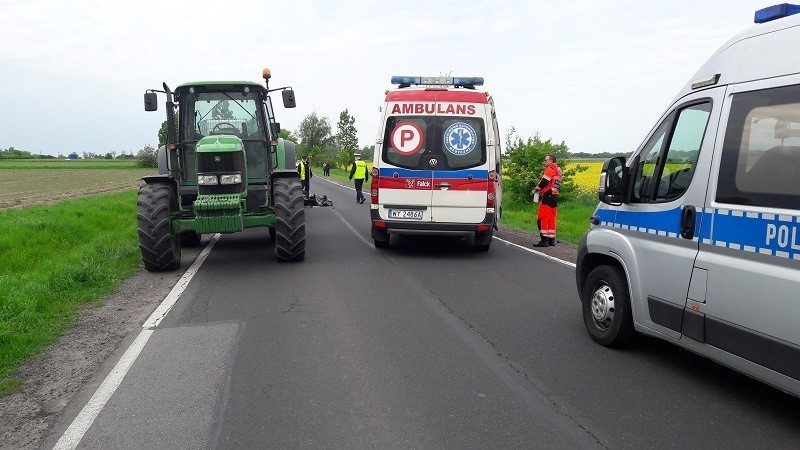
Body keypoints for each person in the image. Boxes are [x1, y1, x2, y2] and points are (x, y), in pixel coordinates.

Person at [532, 154, 562, 247]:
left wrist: (538, 188)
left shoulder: (550, 168)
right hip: (554, 196)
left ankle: (544, 240)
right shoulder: (559, 170)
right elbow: (556, 184)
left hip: (547, 196)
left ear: (551, 161)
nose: (544, 162)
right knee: (551, 218)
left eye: (545, 160)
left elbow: (545, 181)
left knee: (543, 218)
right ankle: (551, 240)